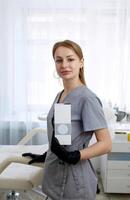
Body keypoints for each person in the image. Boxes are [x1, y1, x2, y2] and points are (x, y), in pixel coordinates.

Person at [23, 39, 112, 200]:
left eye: (70, 59)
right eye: (59, 60)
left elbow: (106, 144)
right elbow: (63, 135)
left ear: (81, 62)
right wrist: (48, 153)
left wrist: (75, 155)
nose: (64, 65)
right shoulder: (60, 95)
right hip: (54, 176)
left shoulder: (87, 99)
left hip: (75, 182)